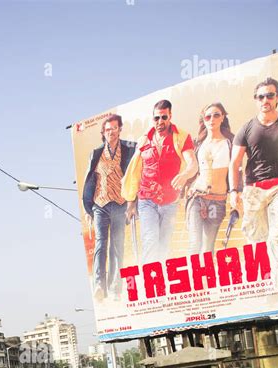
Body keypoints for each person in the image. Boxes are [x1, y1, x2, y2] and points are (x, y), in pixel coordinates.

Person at [123, 100, 197, 263]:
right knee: (150, 240)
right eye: (157, 118)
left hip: (170, 201)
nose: (160, 122)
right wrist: (130, 203)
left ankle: (160, 280)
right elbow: (136, 172)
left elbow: (193, 164)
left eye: (164, 117)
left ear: (170, 116)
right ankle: (149, 284)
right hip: (146, 200)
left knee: (163, 245)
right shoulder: (144, 140)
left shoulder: (182, 137)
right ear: (153, 119)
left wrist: (185, 175)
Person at [229, 77, 278, 292]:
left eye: (270, 95)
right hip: (253, 190)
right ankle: (262, 287)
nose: (265, 100)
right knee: (255, 239)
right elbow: (234, 163)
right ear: (256, 100)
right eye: (261, 96)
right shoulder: (246, 129)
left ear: (277, 98)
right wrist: (234, 191)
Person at [83, 114, 136, 301]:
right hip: (100, 204)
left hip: (120, 204)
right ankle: (99, 285)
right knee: (100, 244)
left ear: (120, 129)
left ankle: (115, 288)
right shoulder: (96, 153)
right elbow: (90, 179)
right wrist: (87, 208)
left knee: (117, 246)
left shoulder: (130, 149)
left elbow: (135, 176)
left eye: (114, 128)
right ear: (103, 133)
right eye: (107, 129)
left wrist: (132, 203)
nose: (111, 132)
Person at [186, 103, 236, 256]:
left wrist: (236, 193)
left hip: (217, 201)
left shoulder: (231, 142)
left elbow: (237, 170)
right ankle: (192, 279)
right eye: (208, 116)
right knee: (194, 243)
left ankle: (206, 279)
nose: (212, 119)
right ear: (204, 120)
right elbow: (191, 168)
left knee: (208, 247)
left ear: (222, 117)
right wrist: (188, 185)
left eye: (216, 115)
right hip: (197, 198)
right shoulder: (198, 143)